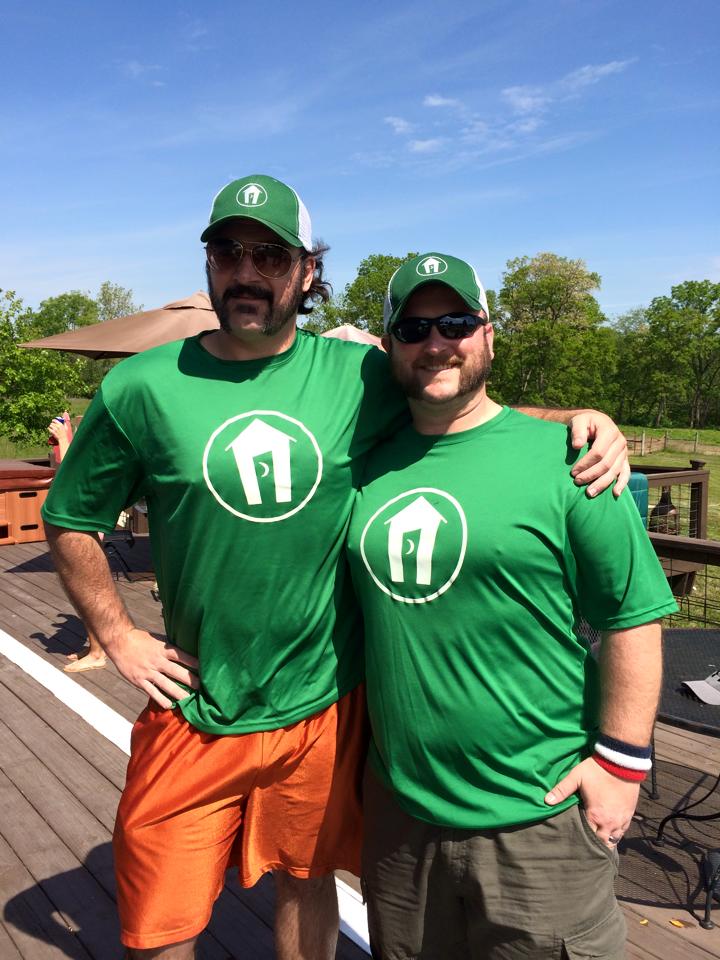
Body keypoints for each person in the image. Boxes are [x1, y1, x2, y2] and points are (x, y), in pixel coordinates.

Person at [42, 176, 630, 960]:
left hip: (322, 704)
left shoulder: (359, 375)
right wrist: (117, 635)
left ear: (307, 271)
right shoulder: (141, 386)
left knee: (307, 880)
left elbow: (455, 402)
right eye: (228, 251)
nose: (246, 271)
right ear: (208, 262)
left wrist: (578, 421)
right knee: (158, 925)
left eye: (270, 255)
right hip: (196, 702)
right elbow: (70, 516)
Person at [346, 252, 678, 960]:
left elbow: (633, 616)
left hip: (540, 816)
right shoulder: (362, 462)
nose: (436, 342)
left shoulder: (570, 460)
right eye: (413, 328)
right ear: (390, 347)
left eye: (456, 323)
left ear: (489, 336)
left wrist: (622, 767)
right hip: (402, 821)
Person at [48, 412, 107, 672]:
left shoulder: (101, 445)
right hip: (82, 516)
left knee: (88, 589)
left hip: (87, 518)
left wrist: (63, 439)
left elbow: (73, 476)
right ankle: (96, 646)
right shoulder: (93, 443)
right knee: (82, 589)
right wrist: (66, 436)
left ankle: (97, 653)